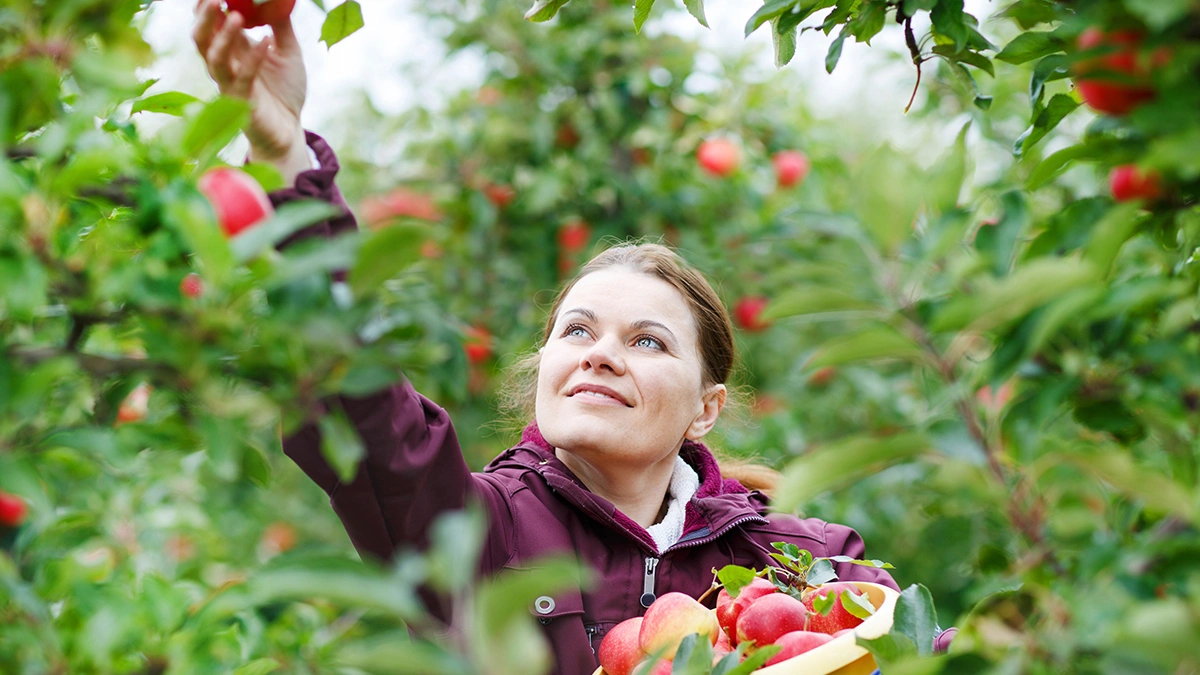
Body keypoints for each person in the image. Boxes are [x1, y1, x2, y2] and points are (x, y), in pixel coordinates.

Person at [190, 4, 952, 673]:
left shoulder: (801, 564)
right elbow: (359, 402)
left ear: (706, 408)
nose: (601, 352)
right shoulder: (473, 533)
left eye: (649, 341)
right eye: (577, 328)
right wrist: (284, 153)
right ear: (544, 364)